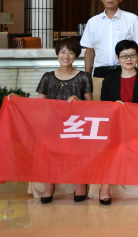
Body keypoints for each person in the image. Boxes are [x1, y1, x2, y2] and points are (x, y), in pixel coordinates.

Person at [99, 39, 138, 205]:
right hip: (116, 127)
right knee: (107, 143)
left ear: (137, 56)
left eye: (132, 55)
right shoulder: (109, 80)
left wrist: (135, 113)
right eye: (124, 56)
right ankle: (104, 187)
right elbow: (103, 108)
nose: (129, 59)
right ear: (117, 58)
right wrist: (114, 106)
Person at [34, 38, 93, 204]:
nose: (66, 56)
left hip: (76, 125)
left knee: (79, 147)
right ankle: (49, 185)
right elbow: (38, 105)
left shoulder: (84, 77)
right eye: (63, 52)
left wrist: (79, 103)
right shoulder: (47, 77)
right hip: (52, 124)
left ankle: (80, 182)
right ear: (57, 54)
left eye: (71, 52)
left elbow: (90, 105)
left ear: (76, 55)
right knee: (46, 146)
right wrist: (17, 100)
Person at [81, 0, 138, 77]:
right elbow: (90, 51)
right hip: (100, 71)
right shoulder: (93, 22)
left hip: (125, 70)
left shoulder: (132, 19)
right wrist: (87, 77)